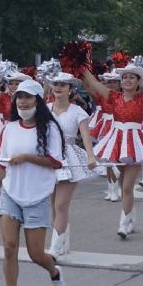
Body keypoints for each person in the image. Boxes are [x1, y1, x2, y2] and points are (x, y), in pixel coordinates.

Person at [0, 79, 67, 286]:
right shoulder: (9, 128)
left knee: (36, 254)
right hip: (11, 193)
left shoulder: (50, 128)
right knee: (9, 247)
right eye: (19, 97)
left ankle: (54, 271)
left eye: (28, 97)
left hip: (37, 194)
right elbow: (3, 164)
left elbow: (56, 161)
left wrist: (28, 157)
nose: (22, 101)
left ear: (37, 101)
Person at [81, 64, 143, 240]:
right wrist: (83, 67)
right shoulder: (113, 97)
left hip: (134, 143)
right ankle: (131, 217)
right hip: (117, 141)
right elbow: (94, 84)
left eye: (132, 77)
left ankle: (123, 224)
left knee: (127, 187)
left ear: (139, 82)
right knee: (121, 185)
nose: (127, 80)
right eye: (125, 77)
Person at [46, 72, 97, 257]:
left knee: (61, 205)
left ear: (70, 90)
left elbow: (85, 136)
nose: (58, 87)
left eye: (63, 85)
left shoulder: (78, 112)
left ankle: (54, 249)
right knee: (52, 205)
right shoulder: (44, 108)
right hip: (49, 157)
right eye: (56, 84)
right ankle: (62, 241)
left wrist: (91, 156)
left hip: (69, 157)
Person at [88, 72, 121, 201]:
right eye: (109, 82)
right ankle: (111, 189)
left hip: (118, 125)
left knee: (114, 160)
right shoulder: (102, 95)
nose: (111, 85)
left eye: (114, 82)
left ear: (119, 84)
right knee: (108, 160)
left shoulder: (123, 96)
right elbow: (88, 87)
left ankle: (116, 188)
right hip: (105, 126)